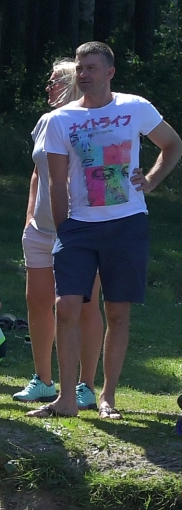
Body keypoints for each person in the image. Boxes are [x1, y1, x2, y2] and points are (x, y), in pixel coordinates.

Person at [28, 41, 182, 419]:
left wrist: (150, 180)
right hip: (78, 227)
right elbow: (56, 183)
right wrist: (64, 229)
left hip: (127, 223)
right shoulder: (60, 119)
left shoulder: (135, 107)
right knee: (67, 306)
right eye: (80, 68)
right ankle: (66, 399)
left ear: (110, 72)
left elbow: (172, 144)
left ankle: (107, 396)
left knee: (117, 312)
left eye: (91, 68)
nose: (83, 74)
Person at [17, 59, 105, 407]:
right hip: (41, 230)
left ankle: (85, 386)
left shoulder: (90, 122)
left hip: (81, 229)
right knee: (38, 302)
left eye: (54, 81)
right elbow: (37, 173)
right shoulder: (46, 121)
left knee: (85, 307)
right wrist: (29, 217)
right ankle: (43, 380)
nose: (48, 87)